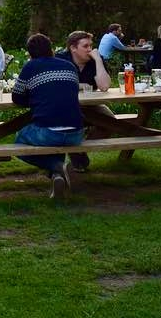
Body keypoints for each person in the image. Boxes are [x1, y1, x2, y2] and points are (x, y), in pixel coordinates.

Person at [11, 33, 84, 199]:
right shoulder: (69, 66)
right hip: (77, 133)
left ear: (30, 53)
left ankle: (57, 166)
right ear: (51, 49)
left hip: (48, 132)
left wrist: (35, 97)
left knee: (19, 142)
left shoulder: (31, 67)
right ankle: (57, 177)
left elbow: (17, 97)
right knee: (57, 141)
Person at [55, 30, 111, 173]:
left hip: (91, 105)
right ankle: (74, 154)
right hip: (65, 106)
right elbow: (56, 85)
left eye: (90, 46)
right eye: (85, 46)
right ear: (73, 48)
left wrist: (98, 60)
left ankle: (79, 151)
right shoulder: (60, 59)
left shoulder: (95, 60)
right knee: (69, 123)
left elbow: (104, 86)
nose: (90, 50)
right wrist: (79, 85)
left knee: (110, 122)